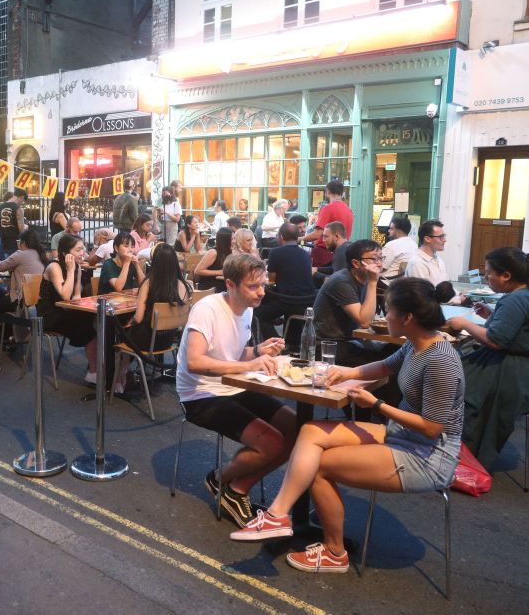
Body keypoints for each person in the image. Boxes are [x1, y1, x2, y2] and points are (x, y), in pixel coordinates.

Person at [231, 278, 465, 576]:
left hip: (428, 454)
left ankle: (334, 551)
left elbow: (432, 428)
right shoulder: (416, 344)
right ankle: (278, 515)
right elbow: (382, 367)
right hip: (403, 434)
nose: (383, 316)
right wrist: (343, 373)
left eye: (388, 310)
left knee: (319, 465)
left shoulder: (441, 360)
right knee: (311, 431)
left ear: (407, 318)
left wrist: (377, 405)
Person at [176, 253, 295, 528]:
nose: (261, 292)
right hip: (200, 394)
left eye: (263, 284)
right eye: (253, 286)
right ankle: (222, 481)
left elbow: (233, 355)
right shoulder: (207, 309)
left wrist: (257, 350)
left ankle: (235, 487)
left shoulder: (247, 308)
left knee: (299, 428)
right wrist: (250, 363)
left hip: (232, 385)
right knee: (273, 442)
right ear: (230, 284)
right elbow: (195, 361)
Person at [449, 247, 529, 470]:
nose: (486, 277)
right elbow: (521, 332)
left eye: (489, 272)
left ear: (506, 276)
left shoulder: (517, 299)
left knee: (452, 382)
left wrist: (465, 324)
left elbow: (496, 341)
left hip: (517, 374)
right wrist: (492, 315)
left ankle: (460, 456)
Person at [311, 239, 389, 367]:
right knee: (385, 364)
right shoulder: (341, 281)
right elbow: (364, 321)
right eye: (374, 259)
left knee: (395, 352)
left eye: (381, 258)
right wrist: (373, 283)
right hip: (329, 345)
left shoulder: (365, 278)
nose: (379, 264)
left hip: (352, 340)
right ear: (356, 263)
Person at [39, 234, 99, 384]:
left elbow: (76, 296)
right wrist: (71, 271)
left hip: (65, 311)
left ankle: (98, 368)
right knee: (86, 323)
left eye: (83, 249)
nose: (83, 253)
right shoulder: (54, 266)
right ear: (66, 254)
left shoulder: (77, 267)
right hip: (50, 315)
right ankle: (93, 371)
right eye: (79, 250)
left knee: (95, 319)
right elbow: (66, 295)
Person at [255, 223, 316, 337]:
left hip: (287, 300)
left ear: (281, 237)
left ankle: (277, 343)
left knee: (257, 315)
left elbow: (272, 281)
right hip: (308, 301)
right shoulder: (305, 254)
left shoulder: (275, 252)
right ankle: (289, 343)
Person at [0, 227, 48, 326]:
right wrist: (2, 281)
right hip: (37, 300)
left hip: (21, 301)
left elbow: (0, 267)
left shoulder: (20, 254)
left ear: (23, 242)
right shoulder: (40, 254)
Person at [302, 180, 353, 267]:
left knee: (317, 277)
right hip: (341, 252)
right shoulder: (348, 210)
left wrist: (299, 239)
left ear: (327, 192)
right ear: (342, 193)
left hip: (324, 253)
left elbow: (317, 234)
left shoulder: (328, 208)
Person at [405, 219, 448, 285]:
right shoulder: (417, 263)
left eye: (444, 236)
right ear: (427, 239)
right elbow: (423, 293)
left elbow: (446, 286)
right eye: (441, 237)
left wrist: (458, 294)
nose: (444, 240)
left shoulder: (438, 259)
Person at [193, 227, 232, 292]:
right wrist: (219, 272)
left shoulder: (231, 252)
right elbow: (197, 271)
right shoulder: (213, 252)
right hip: (210, 287)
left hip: (223, 285)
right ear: (226, 240)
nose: (235, 241)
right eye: (233, 239)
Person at [0, 187, 27, 258]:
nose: (22, 203)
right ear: (22, 197)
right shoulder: (18, 209)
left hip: (3, 242)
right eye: (23, 201)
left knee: (3, 266)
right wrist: (25, 228)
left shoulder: (0, 207)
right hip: (14, 244)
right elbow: (21, 229)